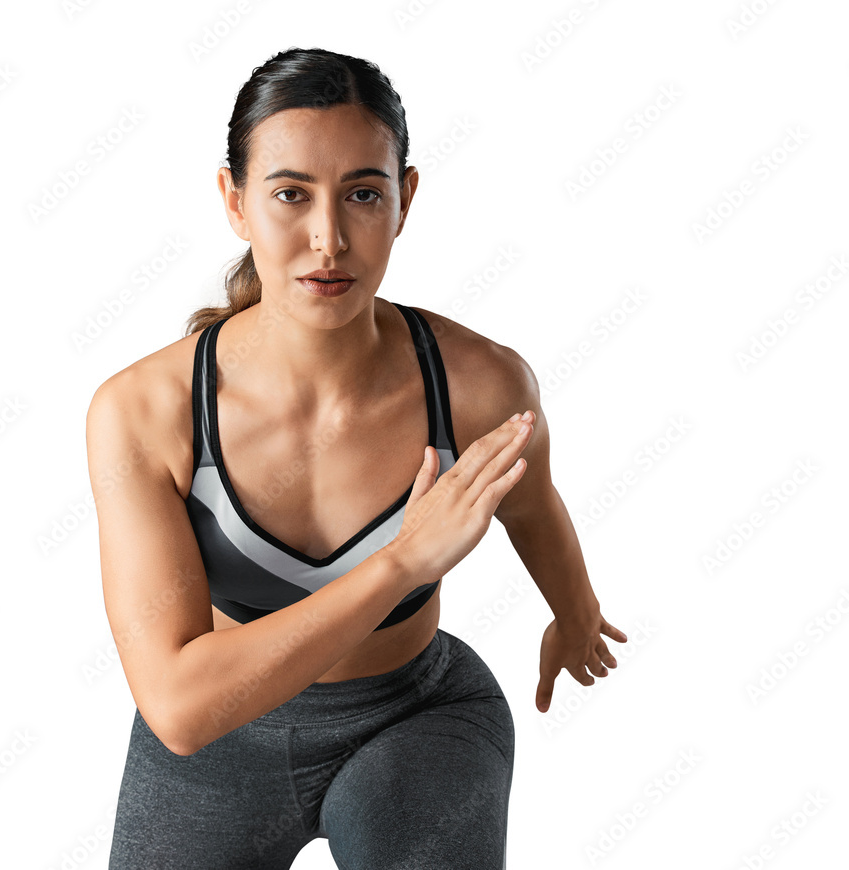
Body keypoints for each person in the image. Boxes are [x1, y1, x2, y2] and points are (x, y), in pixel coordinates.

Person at [87, 46, 627, 870]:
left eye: (363, 195)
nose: (328, 238)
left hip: (416, 717)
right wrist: (402, 562)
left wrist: (576, 612)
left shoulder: (479, 385)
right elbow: (181, 707)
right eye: (290, 194)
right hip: (223, 737)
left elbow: (533, 504)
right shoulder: (144, 413)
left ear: (404, 200)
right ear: (234, 201)